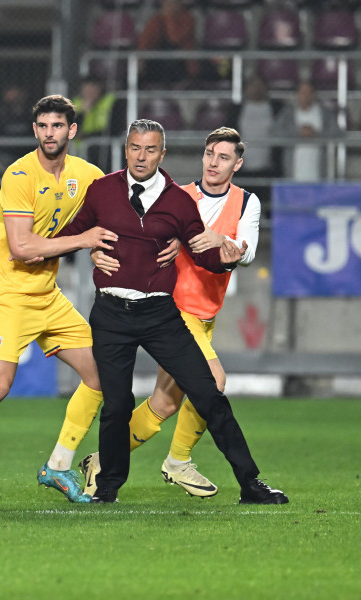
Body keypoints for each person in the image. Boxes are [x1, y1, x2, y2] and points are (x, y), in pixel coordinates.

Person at [57, 119, 287, 505]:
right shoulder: (102, 191)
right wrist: (86, 243)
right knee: (117, 405)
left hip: (161, 314)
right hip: (112, 313)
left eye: (150, 149)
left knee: (209, 395)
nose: (141, 156)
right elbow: (68, 235)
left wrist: (227, 258)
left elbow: (204, 251)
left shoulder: (179, 201)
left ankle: (250, 483)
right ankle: (109, 487)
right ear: (125, 149)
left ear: (162, 154)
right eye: (134, 147)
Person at [0, 95, 121, 507]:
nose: (49, 133)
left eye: (57, 126)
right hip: (8, 294)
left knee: (101, 374)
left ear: (71, 131)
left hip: (47, 295)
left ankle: (57, 465)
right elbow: (20, 248)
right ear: (35, 130)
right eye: (42, 126)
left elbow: (117, 210)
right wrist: (85, 240)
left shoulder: (88, 174)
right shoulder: (19, 174)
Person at [275, 80, 341, 182]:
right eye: (302, 92)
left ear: (314, 95)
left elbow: (336, 133)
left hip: (319, 168)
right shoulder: (287, 114)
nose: (305, 96)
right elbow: (275, 133)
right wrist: (298, 132)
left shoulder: (324, 113)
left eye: (308, 92)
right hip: (293, 169)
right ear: (297, 95)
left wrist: (316, 134)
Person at [229, 74, 282, 178]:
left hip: (269, 168)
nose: (256, 89)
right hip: (242, 169)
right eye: (252, 85)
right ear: (246, 88)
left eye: (260, 85)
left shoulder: (277, 108)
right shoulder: (236, 110)